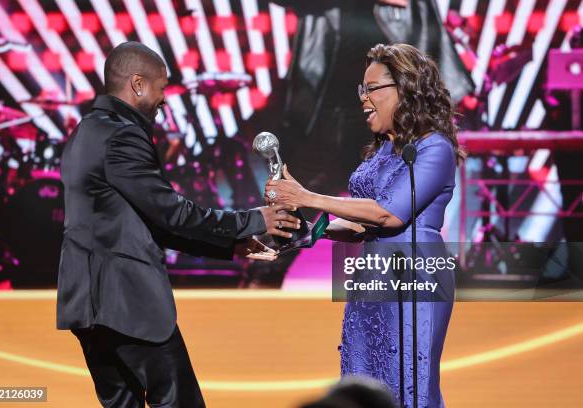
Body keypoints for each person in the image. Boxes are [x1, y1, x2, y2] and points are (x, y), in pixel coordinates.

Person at [56, 41, 300, 408]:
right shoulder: (123, 134)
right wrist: (252, 219)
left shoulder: (85, 131)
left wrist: (229, 245)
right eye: (161, 87)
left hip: (88, 308)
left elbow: (149, 221)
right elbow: (171, 212)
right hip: (128, 303)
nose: (164, 99)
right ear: (138, 84)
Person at [266, 43, 460, 406]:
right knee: (364, 377)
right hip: (372, 275)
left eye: (372, 89)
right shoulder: (382, 150)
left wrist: (306, 196)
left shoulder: (435, 148)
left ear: (406, 89)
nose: (363, 98)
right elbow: (362, 225)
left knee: (408, 383)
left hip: (414, 276)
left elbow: (390, 214)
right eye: (362, 89)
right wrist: (310, 233)